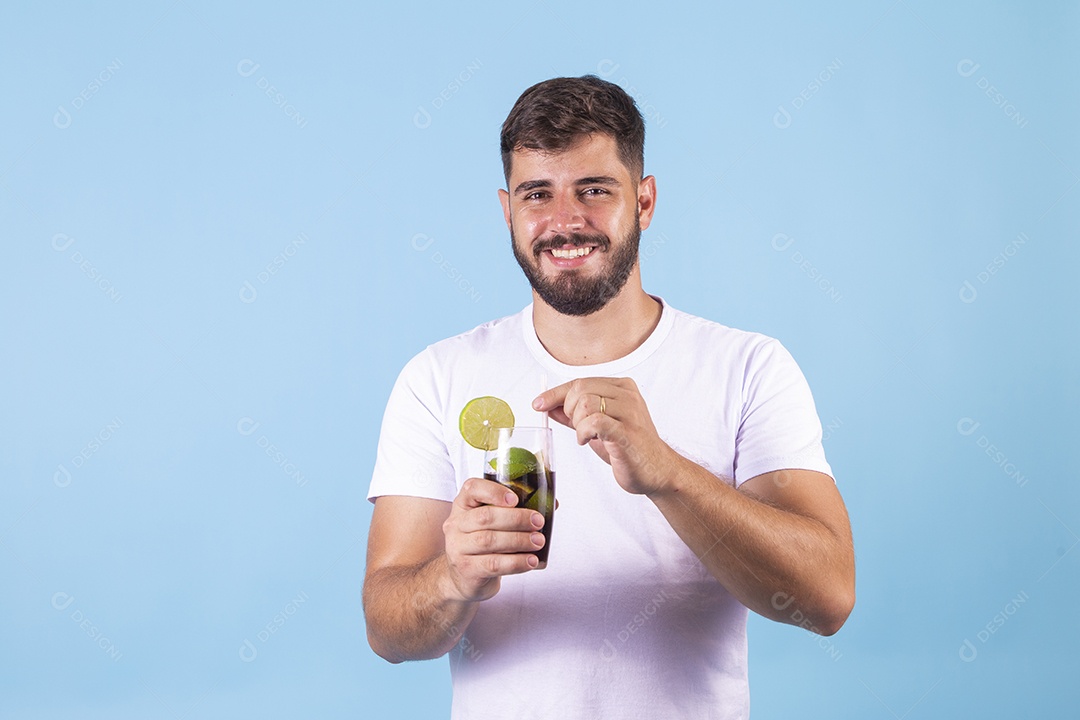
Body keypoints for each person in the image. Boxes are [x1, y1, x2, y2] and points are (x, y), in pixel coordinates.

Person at [364, 75, 855, 719]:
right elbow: (387, 629)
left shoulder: (749, 367)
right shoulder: (437, 376)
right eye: (537, 194)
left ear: (645, 202)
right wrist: (454, 576)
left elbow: (827, 598)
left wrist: (669, 474)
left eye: (594, 190)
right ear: (507, 210)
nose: (565, 221)